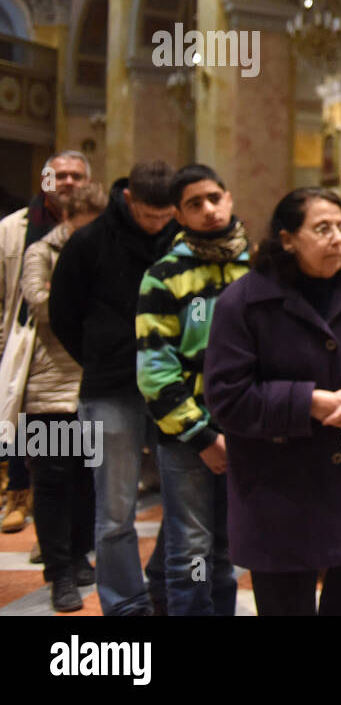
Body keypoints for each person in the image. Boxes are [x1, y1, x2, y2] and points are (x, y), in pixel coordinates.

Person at [203, 188, 341, 615]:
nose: (337, 238)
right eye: (322, 229)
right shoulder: (244, 301)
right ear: (287, 239)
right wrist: (307, 401)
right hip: (277, 493)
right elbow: (226, 397)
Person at [49, 160, 177, 616]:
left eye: (166, 216)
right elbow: (62, 313)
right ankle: (125, 603)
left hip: (171, 387)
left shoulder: (178, 238)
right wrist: (101, 358)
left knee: (185, 502)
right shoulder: (89, 242)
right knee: (115, 508)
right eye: (149, 216)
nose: (157, 224)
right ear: (129, 199)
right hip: (110, 389)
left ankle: (165, 585)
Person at [135, 165, 249, 616]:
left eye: (214, 198)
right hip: (187, 437)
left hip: (244, 427)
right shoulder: (163, 275)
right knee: (190, 552)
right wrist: (201, 437)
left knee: (227, 547)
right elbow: (155, 371)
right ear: (179, 215)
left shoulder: (254, 267)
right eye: (194, 204)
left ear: (229, 198)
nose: (209, 210)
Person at [20, 181, 105, 611]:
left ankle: (78, 554)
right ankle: (58, 575)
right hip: (47, 386)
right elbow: (41, 304)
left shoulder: (105, 251)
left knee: (86, 476)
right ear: (66, 221)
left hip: (90, 383)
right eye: (82, 230)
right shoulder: (41, 253)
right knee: (51, 481)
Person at [0, 150, 89, 535]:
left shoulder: (99, 232)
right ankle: (19, 497)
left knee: (78, 463)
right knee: (28, 436)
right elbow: (30, 298)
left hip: (81, 360)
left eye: (76, 176)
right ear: (45, 182)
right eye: (60, 175)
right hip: (27, 345)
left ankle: (64, 540)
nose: (68, 182)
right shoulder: (14, 228)